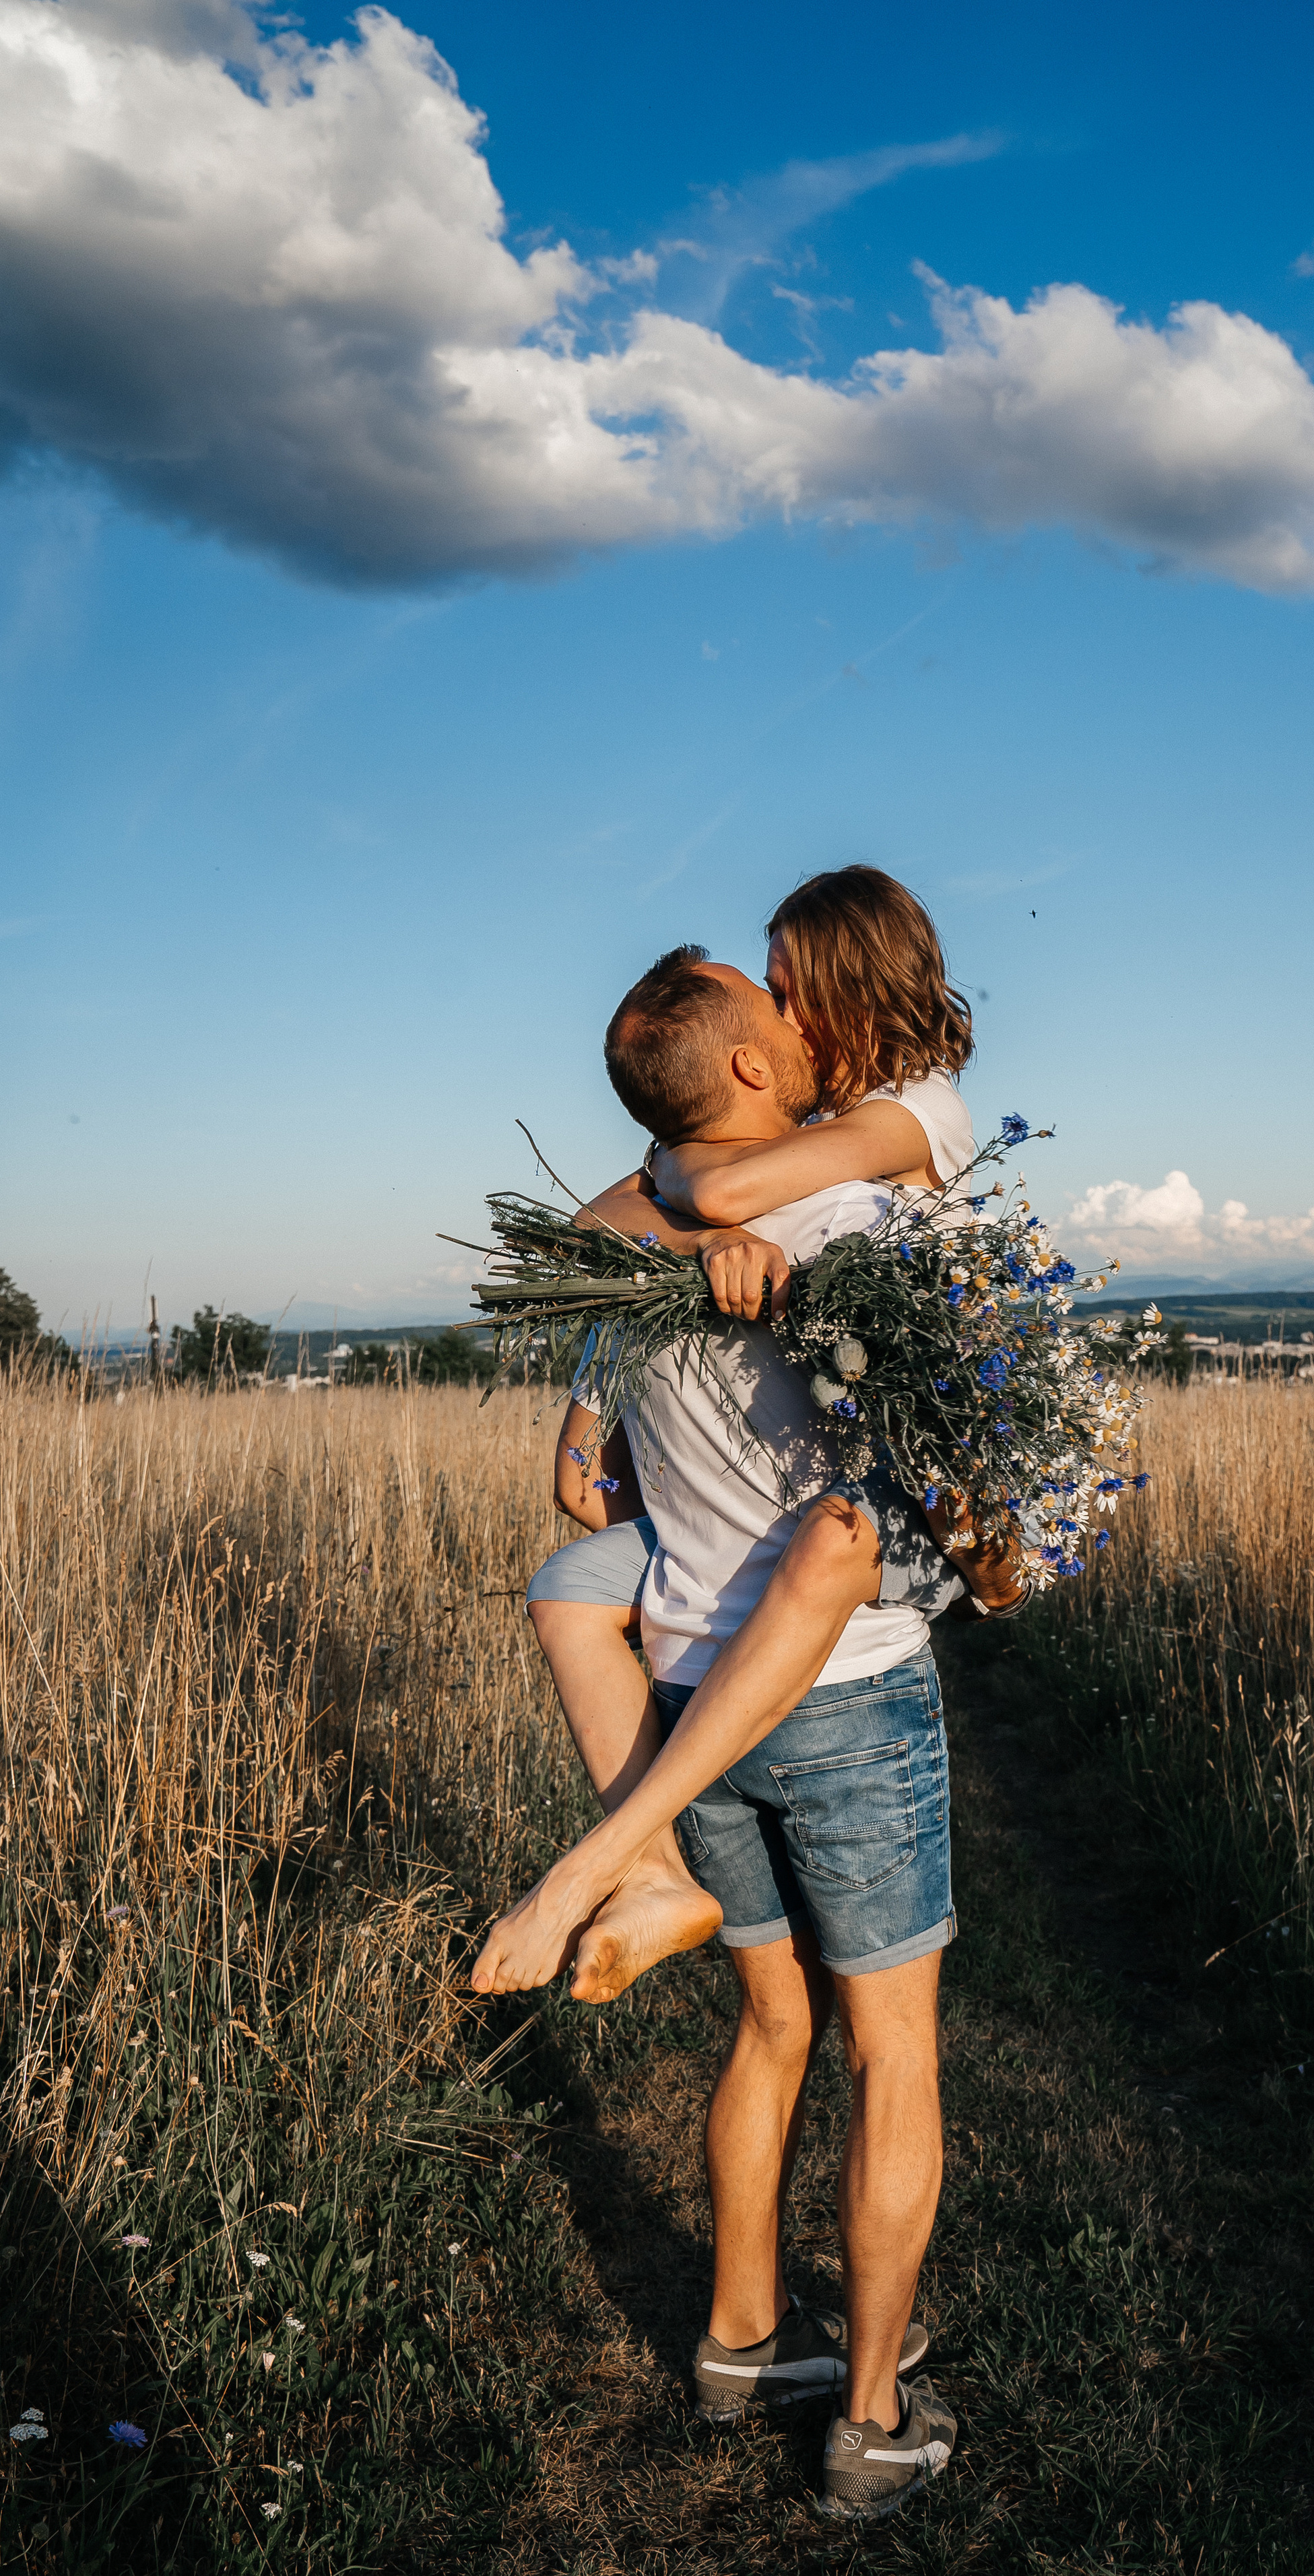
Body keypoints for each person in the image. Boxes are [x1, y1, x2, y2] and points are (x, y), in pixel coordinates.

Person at [473, 930, 1021, 2521]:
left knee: (769, 2023)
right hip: (840, 1686)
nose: (798, 1018)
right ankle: (868, 2416)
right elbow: (918, 1474)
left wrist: (599, 1377)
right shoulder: (845, 1213)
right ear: (747, 1071)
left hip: (688, 1682)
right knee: (889, 2050)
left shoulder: (623, 1241)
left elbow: (587, 1236)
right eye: (773, 1005)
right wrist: (994, 1535)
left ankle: (736, 2342)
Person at [510, 869, 1021, 2009]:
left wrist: (679, 1176)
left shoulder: (911, 1117)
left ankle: (616, 1855)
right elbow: (587, 1232)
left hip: (906, 1463)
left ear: (848, 995)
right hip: (811, 1544)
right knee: (569, 1589)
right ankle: (636, 1866)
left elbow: (723, 1188)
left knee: (856, 1539)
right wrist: (687, 1211)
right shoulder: (818, 1146)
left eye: (792, 990)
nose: (783, 1016)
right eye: (770, 995)